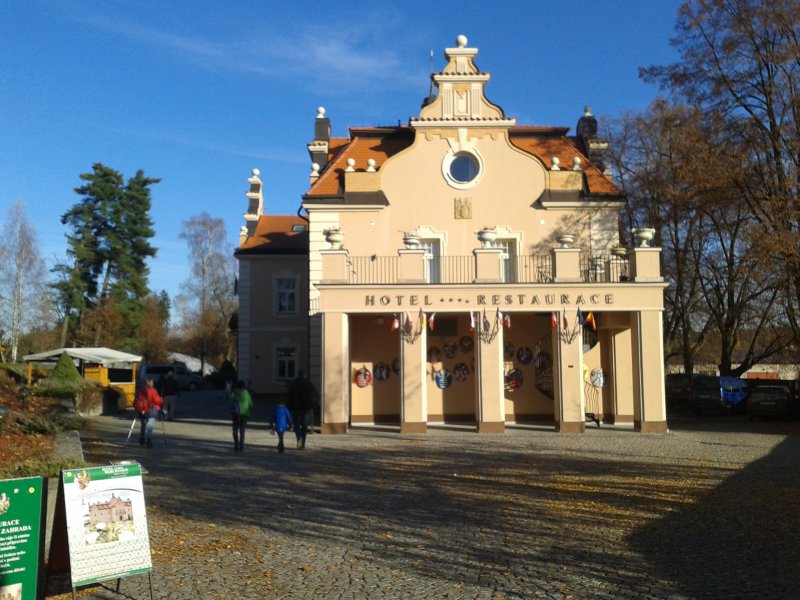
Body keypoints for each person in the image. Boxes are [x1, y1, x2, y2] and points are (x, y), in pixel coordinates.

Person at [288, 370, 319, 449]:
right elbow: (316, 395)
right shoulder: (309, 384)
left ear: (298, 375)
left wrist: (289, 407)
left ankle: (299, 438)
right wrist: (314, 405)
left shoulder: (294, 384)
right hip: (306, 409)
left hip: (296, 408)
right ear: (305, 375)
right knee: (304, 426)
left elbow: (289, 396)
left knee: (297, 425)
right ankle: (303, 443)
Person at [135, 379, 163, 449]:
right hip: (151, 410)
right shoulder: (153, 390)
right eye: (152, 382)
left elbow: (135, 400)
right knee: (149, 426)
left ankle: (141, 439)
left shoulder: (139, 390)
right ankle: (149, 441)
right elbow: (157, 400)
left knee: (143, 425)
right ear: (150, 382)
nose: (153, 383)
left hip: (141, 410)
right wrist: (161, 399)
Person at [230, 380, 253, 452]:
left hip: (235, 413)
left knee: (235, 429)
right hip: (244, 414)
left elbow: (229, 401)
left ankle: (236, 445)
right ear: (244, 386)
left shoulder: (234, 392)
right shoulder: (246, 393)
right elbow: (251, 404)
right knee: (242, 431)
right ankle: (241, 446)